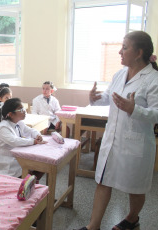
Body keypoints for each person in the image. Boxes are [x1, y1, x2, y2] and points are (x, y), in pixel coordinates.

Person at [76, 31, 158, 230]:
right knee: (103, 181)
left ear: (139, 52)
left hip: (136, 143)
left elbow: (156, 113)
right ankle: (93, 226)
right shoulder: (120, 73)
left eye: (125, 47)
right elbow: (110, 97)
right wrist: (96, 98)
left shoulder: (154, 79)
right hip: (112, 139)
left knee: (135, 188)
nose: (120, 52)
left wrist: (134, 109)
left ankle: (131, 219)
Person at [0, 98, 45, 177]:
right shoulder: (3, 127)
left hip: (16, 153)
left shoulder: (19, 122)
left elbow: (29, 130)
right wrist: (33, 141)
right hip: (5, 159)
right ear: (11, 114)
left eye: (23, 108)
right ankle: (27, 182)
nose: (24, 111)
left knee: (41, 164)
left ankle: (31, 182)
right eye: (21, 109)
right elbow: (15, 141)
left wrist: (37, 135)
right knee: (35, 164)